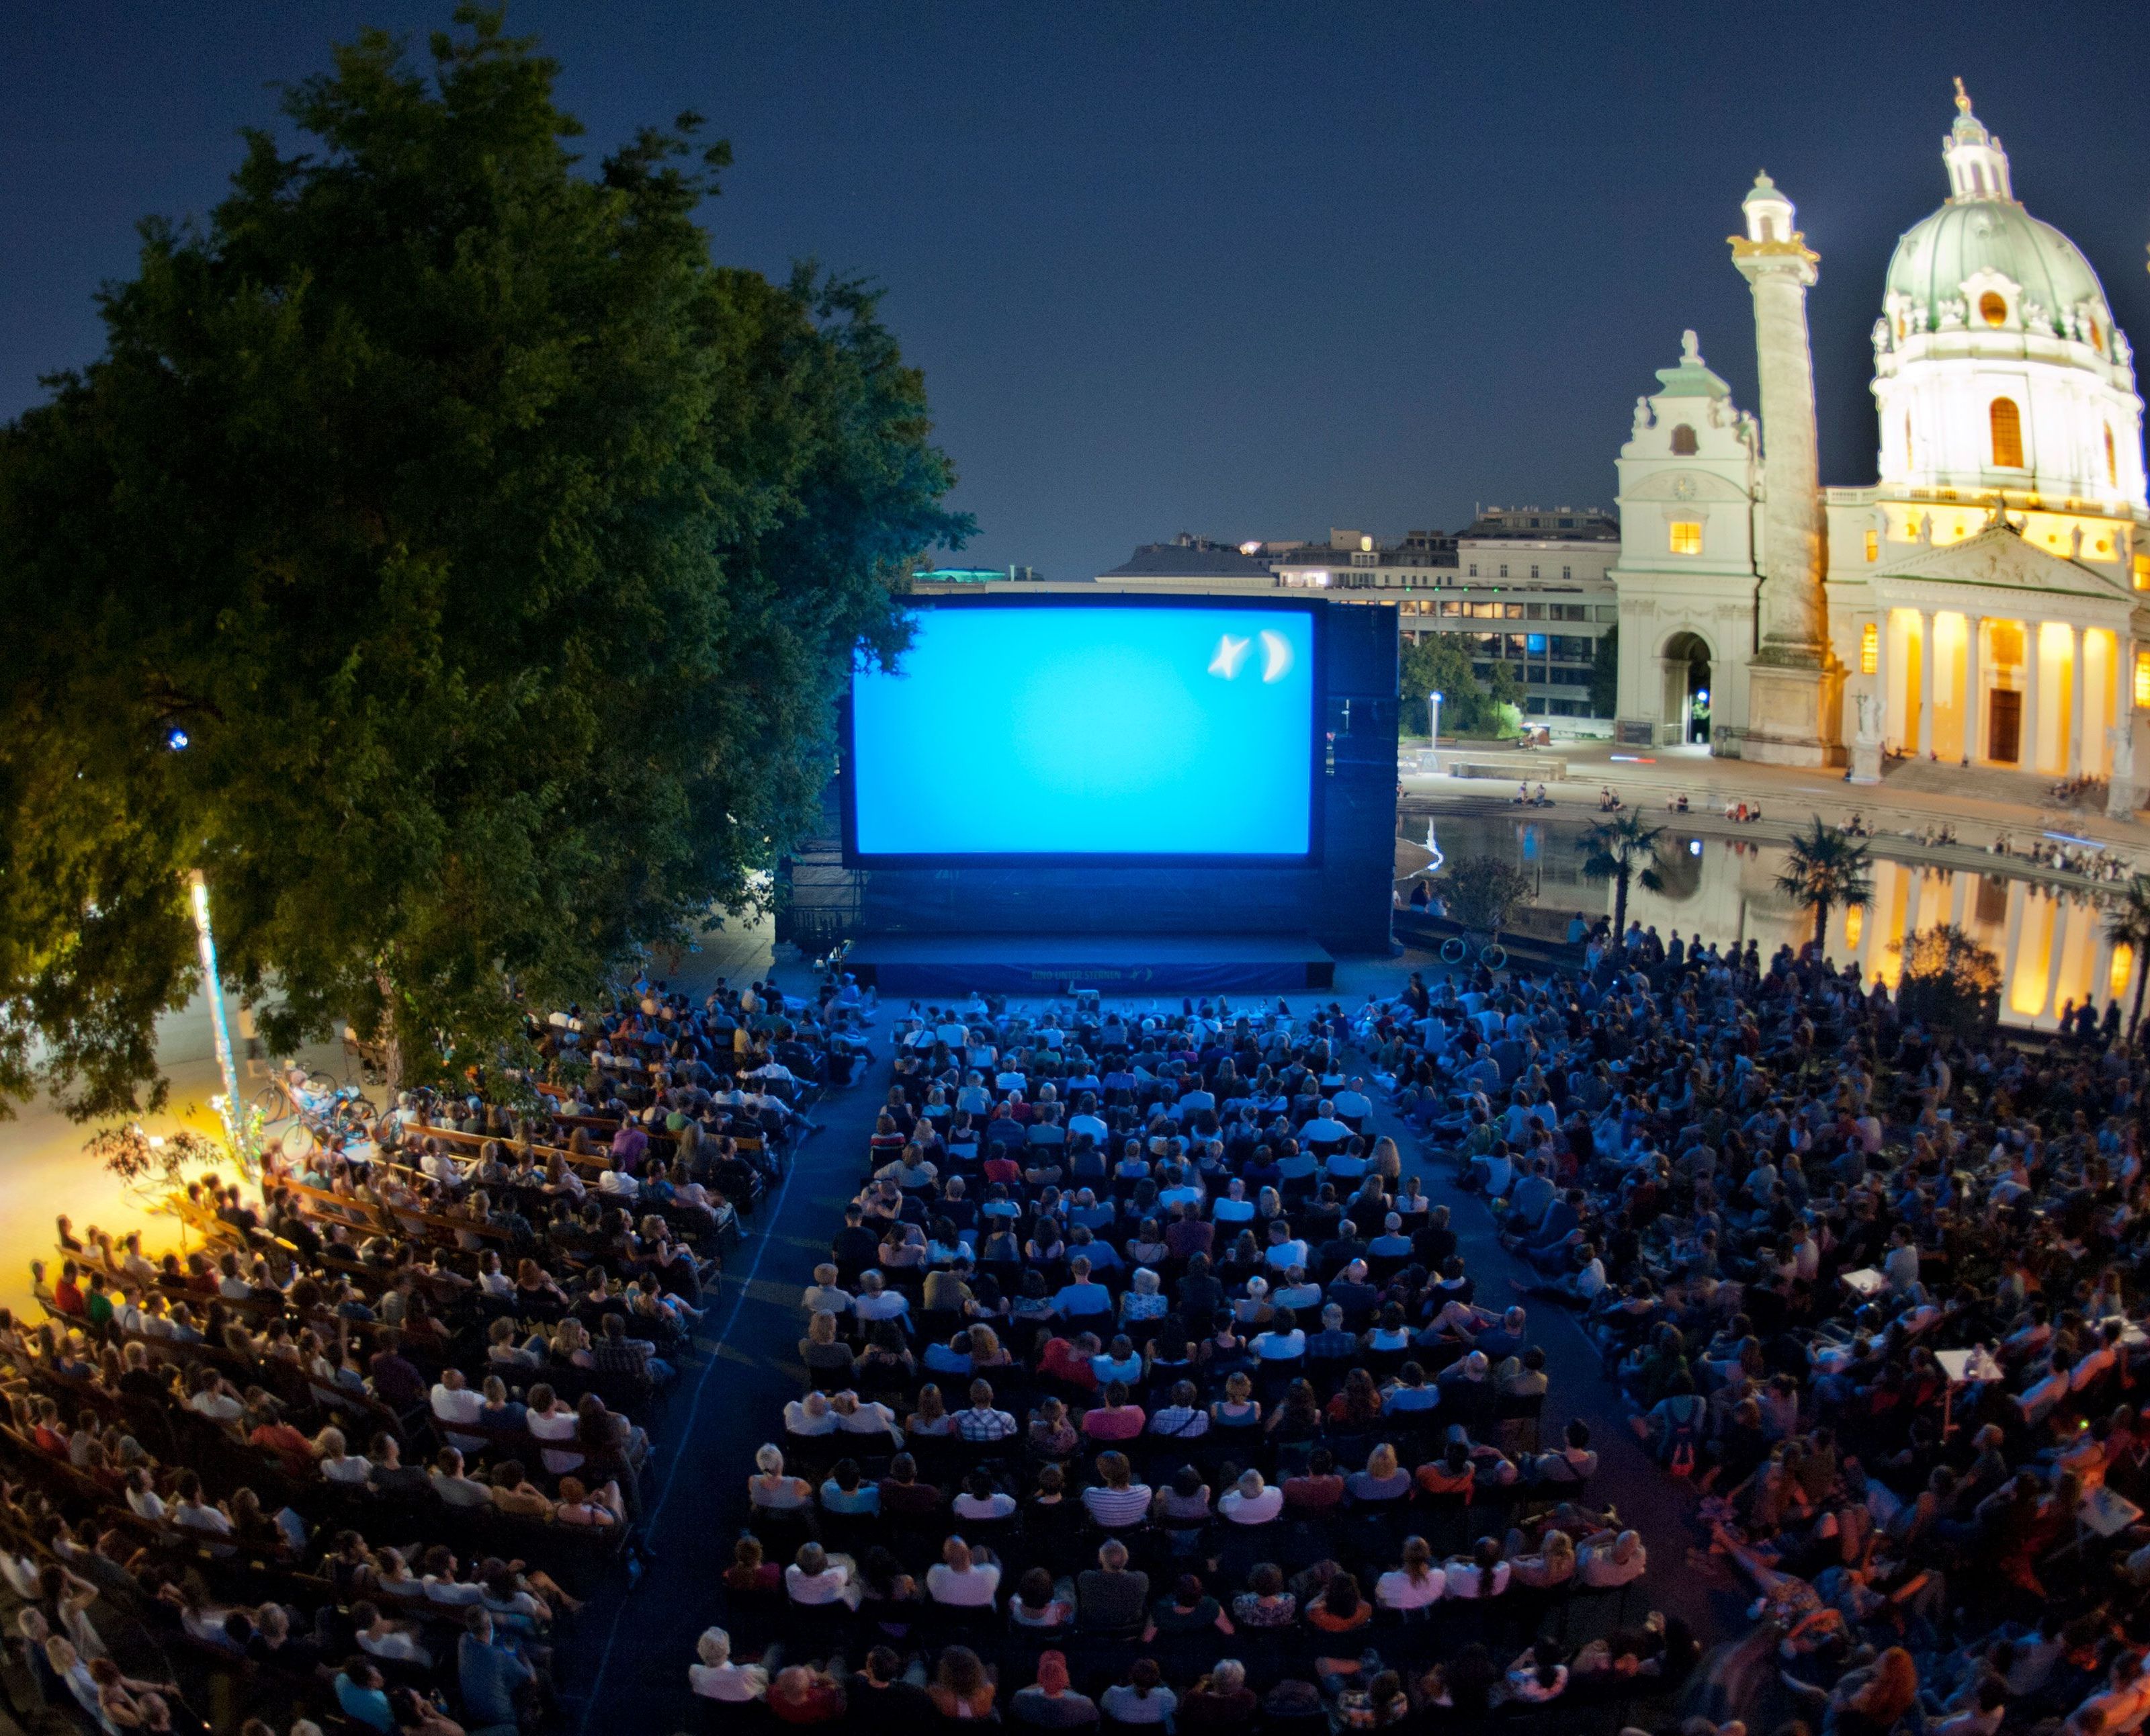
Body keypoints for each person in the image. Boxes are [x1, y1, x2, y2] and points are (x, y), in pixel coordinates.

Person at [1009, 1649, 1099, 1728]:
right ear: (1065, 1674)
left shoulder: (1020, 1698)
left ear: (1040, 1674)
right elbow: (1095, 1726)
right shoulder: (1085, 1704)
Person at [689, 1627, 767, 1704]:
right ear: (728, 1649)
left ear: (700, 1650)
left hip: (711, 1715)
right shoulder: (748, 1674)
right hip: (751, 1714)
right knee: (775, 1649)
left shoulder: (695, 1673)